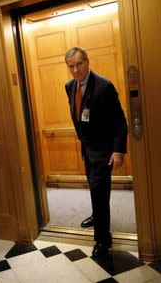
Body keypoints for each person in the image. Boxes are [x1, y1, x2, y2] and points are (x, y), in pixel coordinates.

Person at [64, 47, 128, 257]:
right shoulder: (70, 86)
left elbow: (120, 122)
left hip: (103, 150)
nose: (75, 70)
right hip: (87, 148)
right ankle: (97, 215)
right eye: (71, 66)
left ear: (87, 62)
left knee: (100, 193)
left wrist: (118, 151)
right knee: (94, 188)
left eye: (79, 64)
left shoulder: (104, 86)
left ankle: (103, 240)